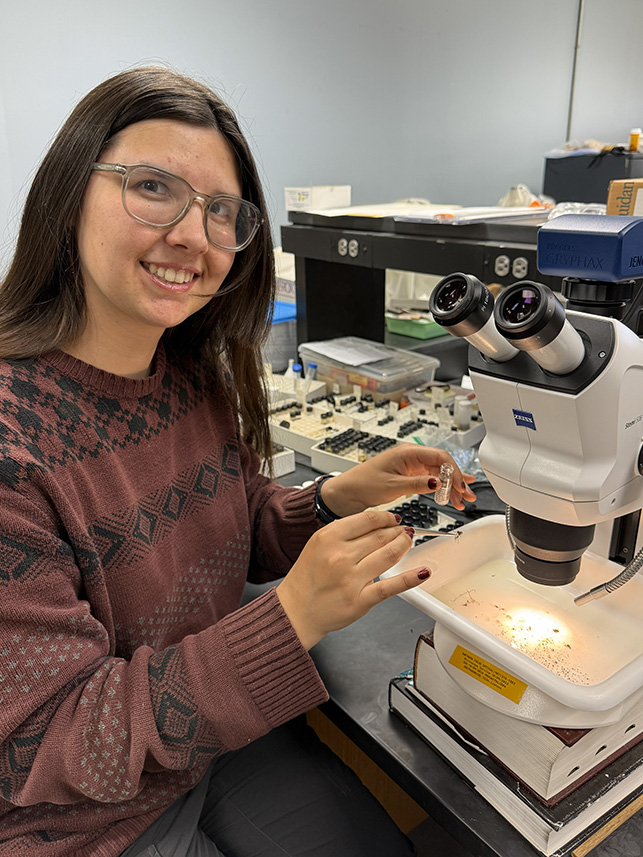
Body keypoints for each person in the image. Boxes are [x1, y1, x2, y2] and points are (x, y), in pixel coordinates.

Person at [0, 66, 476, 857]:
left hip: (207, 745)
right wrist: (290, 620)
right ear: (67, 192)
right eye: (153, 187)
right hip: (83, 824)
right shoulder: (14, 446)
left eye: (221, 210)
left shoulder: (190, 372)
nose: (192, 235)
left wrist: (328, 500)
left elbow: (234, 521)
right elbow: (50, 744)